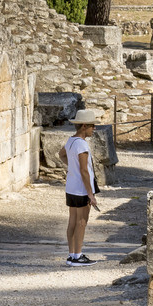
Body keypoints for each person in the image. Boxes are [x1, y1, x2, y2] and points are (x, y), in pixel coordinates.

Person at [62, 109, 101, 265]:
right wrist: (91, 194)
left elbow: (61, 154)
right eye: (92, 126)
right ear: (84, 126)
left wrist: (72, 168)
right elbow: (85, 171)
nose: (94, 129)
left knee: (72, 221)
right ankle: (78, 256)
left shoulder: (70, 141)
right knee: (82, 222)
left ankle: (72, 255)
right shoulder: (82, 145)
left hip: (71, 187)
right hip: (81, 189)